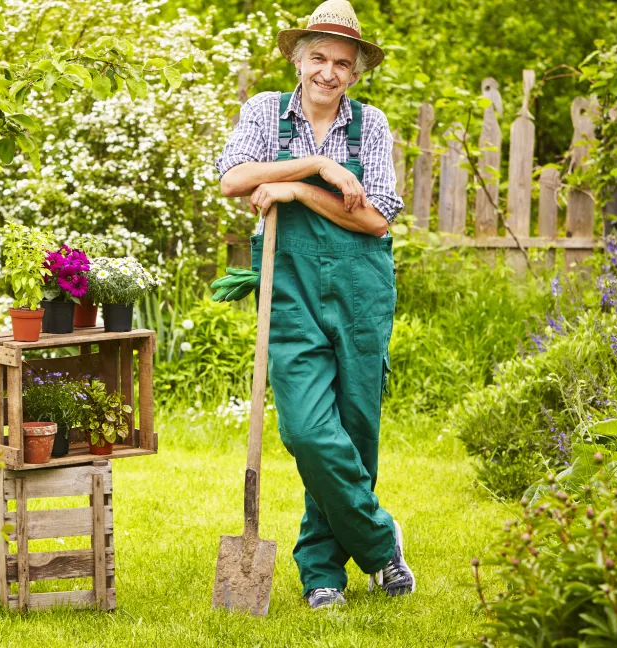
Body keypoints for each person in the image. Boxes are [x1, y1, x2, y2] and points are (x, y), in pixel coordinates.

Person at [214, 0, 415, 610]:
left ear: (355, 73)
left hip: (360, 292)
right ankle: (382, 545)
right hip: (290, 289)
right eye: (319, 58)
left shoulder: (372, 126)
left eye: (342, 63)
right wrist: (320, 165)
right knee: (307, 431)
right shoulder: (264, 113)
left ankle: (322, 572)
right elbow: (232, 179)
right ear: (299, 60)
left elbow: (377, 218)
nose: (328, 71)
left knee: (354, 431)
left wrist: (296, 189)